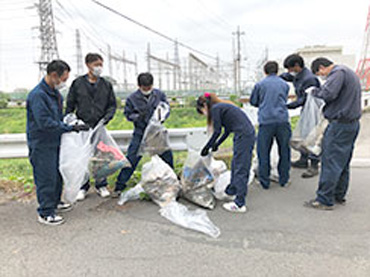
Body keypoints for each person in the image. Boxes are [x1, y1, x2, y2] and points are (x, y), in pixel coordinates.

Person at [27, 60, 89, 225]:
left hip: (55, 141)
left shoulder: (55, 93)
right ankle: (46, 212)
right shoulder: (38, 95)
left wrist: (71, 124)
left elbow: (57, 118)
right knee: (46, 177)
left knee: (56, 175)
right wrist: (69, 128)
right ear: (54, 75)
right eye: (64, 79)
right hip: (41, 143)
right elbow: (45, 123)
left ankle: (55, 202)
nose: (64, 83)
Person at [304, 58, 361, 210]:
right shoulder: (349, 72)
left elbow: (328, 94)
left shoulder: (337, 73)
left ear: (322, 67)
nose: (322, 77)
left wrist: (314, 91)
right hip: (351, 123)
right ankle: (338, 194)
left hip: (339, 125)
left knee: (330, 161)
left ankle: (324, 199)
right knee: (342, 161)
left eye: (320, 74)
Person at [66, 53, 117, 200]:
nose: (99, 68)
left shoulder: (106, 85)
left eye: (101, 65)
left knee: (101, 157)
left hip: (99, 126)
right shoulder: (78, 84)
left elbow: (112, 105)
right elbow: (70, 105)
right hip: (82, 126)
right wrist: (72, 121)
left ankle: (101, 185)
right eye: (96, 65)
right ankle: (83, 186)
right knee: (82, 157)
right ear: (88, 65)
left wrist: (107, 118)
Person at [113, 72, 174, 196]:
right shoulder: (132, 98)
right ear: (139, 86)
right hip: (140, 132)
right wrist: (138, 117)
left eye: (149, 87)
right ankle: (119, 185)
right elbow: (128, 114)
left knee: (167, 157)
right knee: (132, 158)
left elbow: (166, 108)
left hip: (156, 132)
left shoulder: (159, 94)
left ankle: (172, 183)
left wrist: (162, 116)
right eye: (144, 88)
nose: (147, 90)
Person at [197, 93, 255, 213]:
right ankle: (231, 191)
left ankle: (239, 203)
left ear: (204, 105)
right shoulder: (222, 107)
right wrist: (216, 144)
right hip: (243, 134)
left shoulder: (216, 109)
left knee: (240, 168)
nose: (204, 114)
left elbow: (217, 131)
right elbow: (227, 130)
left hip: (244, 136)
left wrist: (207, 147)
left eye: (202, 111)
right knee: (235, 164)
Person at [250, 61, 291, 189]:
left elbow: (253, 101)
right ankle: (284, 179)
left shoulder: (260, 84)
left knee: (263, 152)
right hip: (282, 120)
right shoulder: (284, 85)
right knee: (284, 150)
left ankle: (264, 182)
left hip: (266, 121)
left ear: (265, 71)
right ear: (277, 71)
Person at [281, 54, 321, 178]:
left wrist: (287, 106)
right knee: (304, 134)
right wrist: (274, 77)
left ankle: (314, 165)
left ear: (297, 66)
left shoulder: (309, 79)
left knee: (312, 137)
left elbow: (304, 99)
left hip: (314, 110)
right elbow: (287, 76)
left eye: (290, 69)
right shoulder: (298, 75)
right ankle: (303, 160)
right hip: (306, 110)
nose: (289, 72)